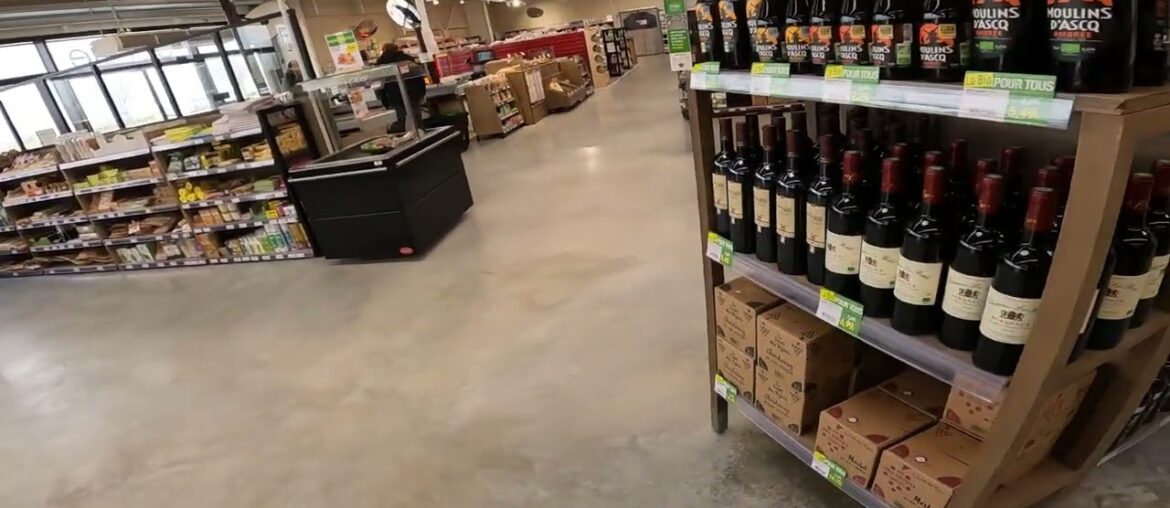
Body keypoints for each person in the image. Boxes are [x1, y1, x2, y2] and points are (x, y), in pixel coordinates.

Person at [376, 44, 427, 133]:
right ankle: (420, 133)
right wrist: (422, 92)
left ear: (383, 50)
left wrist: (383, 99)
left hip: (393, 93)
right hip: (412, 91)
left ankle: (400, 136)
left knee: (399, 116)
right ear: (397, 49)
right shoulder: (408, 59)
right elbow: (419, 78)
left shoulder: (381, 63)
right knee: (416, 115)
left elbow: (380, 84)